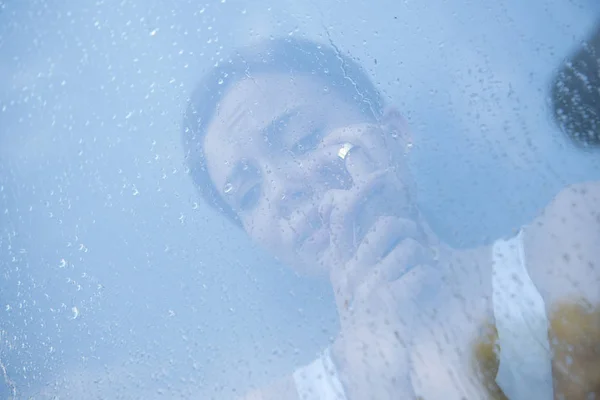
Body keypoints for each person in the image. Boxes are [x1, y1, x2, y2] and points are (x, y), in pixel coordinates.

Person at [183, 37, 600, 399]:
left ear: (395, 132)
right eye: (250, 196)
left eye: (302, 139)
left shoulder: (577, 235)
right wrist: (376, 361)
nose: (280, 190)